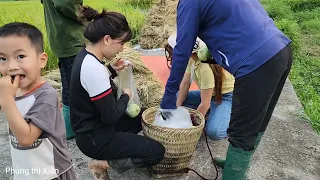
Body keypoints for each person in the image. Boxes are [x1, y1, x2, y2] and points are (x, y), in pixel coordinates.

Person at [160, 0, 293, 179]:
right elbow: (241, 23)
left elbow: (182, 52)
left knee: (242, 132)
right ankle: (235, 163)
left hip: (256, 62)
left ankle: (234, 173)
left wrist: (168, 100)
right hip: (280, 49)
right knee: (258, 121)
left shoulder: (189, 3)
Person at [69, 6, 165, 179]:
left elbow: (93, 85)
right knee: (156, 152)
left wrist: (111, 70)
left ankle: (120, 146)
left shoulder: (86, 56)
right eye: (121, 42)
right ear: (106, 39)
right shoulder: (93, 69)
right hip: (96, 137)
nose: (122, 48)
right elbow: (111, 116)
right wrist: (126, 95)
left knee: (142, 117)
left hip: (92, 129)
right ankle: (102, 163)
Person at [0, 22, 76, 180]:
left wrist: (6, 100)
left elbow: (26, 139)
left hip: (51, 172)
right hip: (26, 171)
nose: (11, 66)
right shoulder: (12, 90)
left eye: (20, 56)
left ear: (42, 60)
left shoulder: (46, 96)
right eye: (2, 58)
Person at [164, 33, 234, 140]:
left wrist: (192, 126)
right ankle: (213, 113)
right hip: (208, 95)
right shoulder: (192, 58)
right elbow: (185, 83)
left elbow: (205, 103)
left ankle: (228, 115)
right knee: (174, 97)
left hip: (224, 97)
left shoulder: (204, 67)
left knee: (214, 132)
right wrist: (176, 109)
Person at [41, 0, 86, 140]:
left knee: (69, 83)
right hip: (70, 39)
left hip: (62, 39)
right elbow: (65, 4)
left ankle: (69, 126)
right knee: (75, 86)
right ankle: (71, 127)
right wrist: (87, 16)